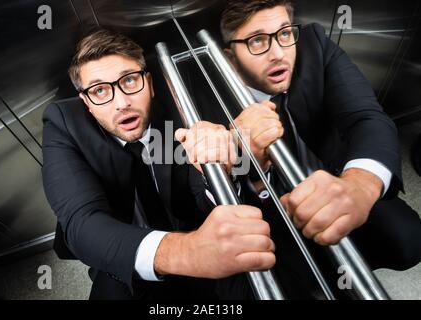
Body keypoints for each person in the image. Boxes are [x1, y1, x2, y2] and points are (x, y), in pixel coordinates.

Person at [41, 29, 277, 299]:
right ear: (87, 103)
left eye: (129, 80)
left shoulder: (180, 105)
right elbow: (82, 224)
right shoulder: (62, 123)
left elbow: (204, 195)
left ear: (150, 83)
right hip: (122, 251)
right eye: (100, 90)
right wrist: (189, 252)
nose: (122, 102)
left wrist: (221, 170)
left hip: (197, 230)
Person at [214, 0, 421, 274]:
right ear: (231, 57)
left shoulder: (314, 45)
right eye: (257, 41)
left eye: (285, 33)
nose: (278, 53)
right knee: (288, 274)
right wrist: (244, 160)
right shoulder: (209, 91)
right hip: (270, 205)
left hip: (334, 176)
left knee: (409, 240)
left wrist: (358, 186)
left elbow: (366, 118)